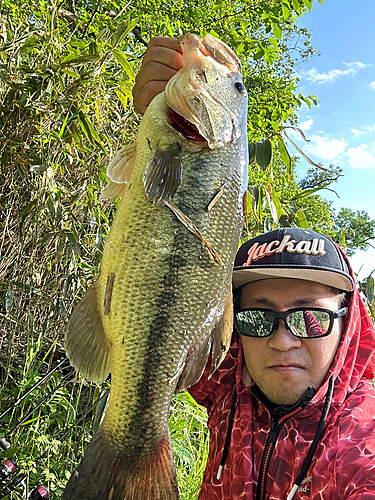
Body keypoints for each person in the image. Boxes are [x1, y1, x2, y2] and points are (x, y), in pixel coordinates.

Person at [132, 37, 375, 499]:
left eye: (310, 316)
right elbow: (157, 306)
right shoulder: (233, 379)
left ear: (347, 326)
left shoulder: (362, 442)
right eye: (257, 317)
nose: (281, 341)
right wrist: (155, 130)